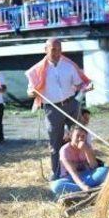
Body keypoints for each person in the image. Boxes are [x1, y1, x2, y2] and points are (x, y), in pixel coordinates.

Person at [25, 38, 92, 179]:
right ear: (46, 50)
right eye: (53, 49)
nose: (57, 53)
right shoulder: (37, 70)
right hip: (52, 108)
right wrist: (32, 93)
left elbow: (79, 84)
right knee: (55, 143)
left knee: (80, 137)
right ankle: (56, 172)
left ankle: (86, 167)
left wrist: (86, 87)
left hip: (72, 104)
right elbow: (30, 91)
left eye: (59, 49)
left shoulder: (69, 66)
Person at [49, 124, 109, 198]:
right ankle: (92, 189)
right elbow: (73, 172)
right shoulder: (64, 150)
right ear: (71, 136)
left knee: (106, 170)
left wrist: (86, 150)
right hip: (70, 179)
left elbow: (94, 166)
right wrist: (83, 187)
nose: (80, 139)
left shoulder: (87, 146)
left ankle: (83, 191)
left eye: (83, 136)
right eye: (77, 136)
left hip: (87, 176)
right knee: (56, 186)